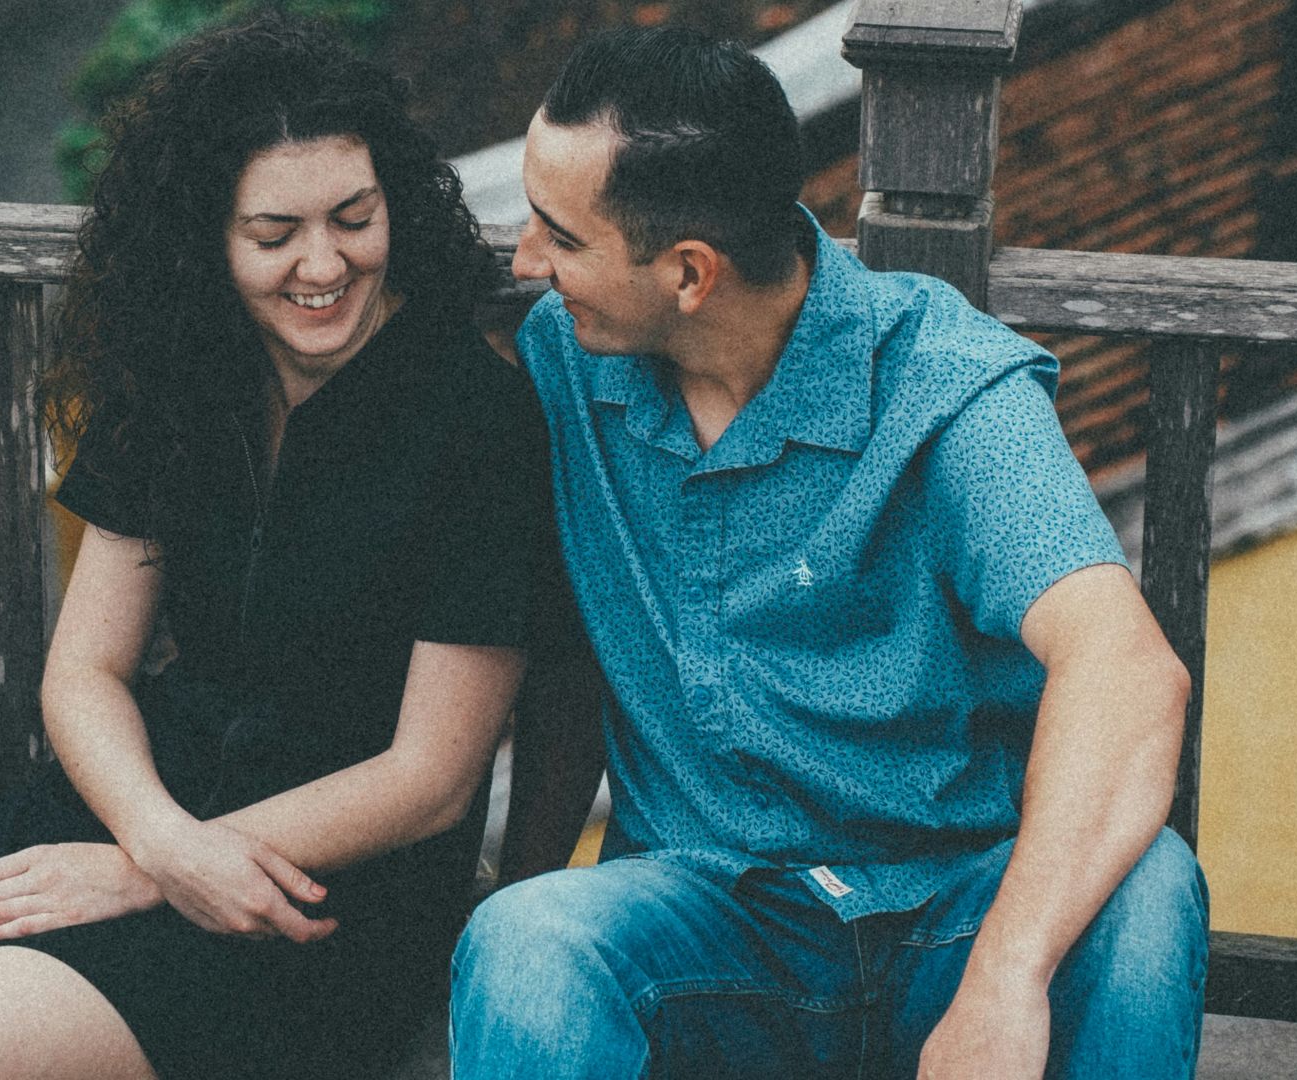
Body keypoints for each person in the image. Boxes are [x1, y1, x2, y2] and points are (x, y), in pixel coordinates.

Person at [0, 17, 558, 1080]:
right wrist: (159, 846)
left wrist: (145, 875)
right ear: (207, 239)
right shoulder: (181, 371)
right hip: (141, 802)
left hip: (324, 883)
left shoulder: (476, 417)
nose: (326, 263)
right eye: (276, 234)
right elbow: (86, 669)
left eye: (355, 219)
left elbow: (432, 778)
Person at [452, 26, 1208, 1080]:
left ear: (688, 274)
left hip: (947, 922)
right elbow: (559, 645)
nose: (527, 263)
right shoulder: (565, 367)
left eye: (559, 236)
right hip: (710, 937)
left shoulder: (944, 387)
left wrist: (1003, 982)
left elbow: (1127, 672)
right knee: (527, 941)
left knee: (1149, 891)